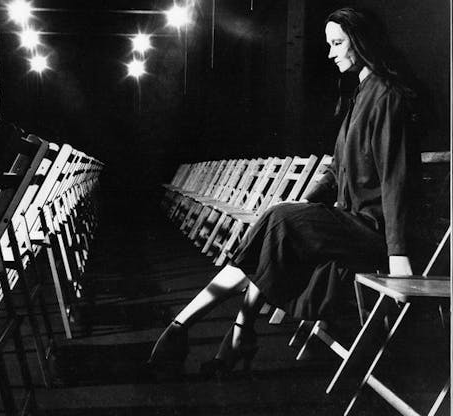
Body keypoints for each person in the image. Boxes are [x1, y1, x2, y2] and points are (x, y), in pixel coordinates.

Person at [147, 7, 420, 379]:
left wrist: (398, 253)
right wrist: (304, 204)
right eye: (328, 44)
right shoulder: (361, 95)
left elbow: (395, 179)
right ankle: (231, 334)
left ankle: (189, 328)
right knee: (280, 225)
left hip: (371, 231)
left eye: (338, 43)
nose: (330, 53)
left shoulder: (386, 96)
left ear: (361, 42)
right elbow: (336, 170)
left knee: (278, 224)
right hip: (350, 223)